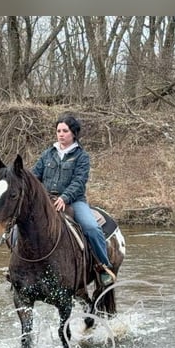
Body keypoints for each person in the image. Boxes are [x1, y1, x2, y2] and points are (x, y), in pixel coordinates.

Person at [32, 114, 116, 287]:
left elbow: (79, 181)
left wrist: (65, 197)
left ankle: (103, 266)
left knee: (91, 228)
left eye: (65, 131)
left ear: (73, 133)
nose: (61, 134)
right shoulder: (47, 154)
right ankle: (19, 268)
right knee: (22, 224)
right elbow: (34, 177)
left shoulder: (82, 157)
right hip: (47, 201)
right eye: (58, 131)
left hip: (74, 201)